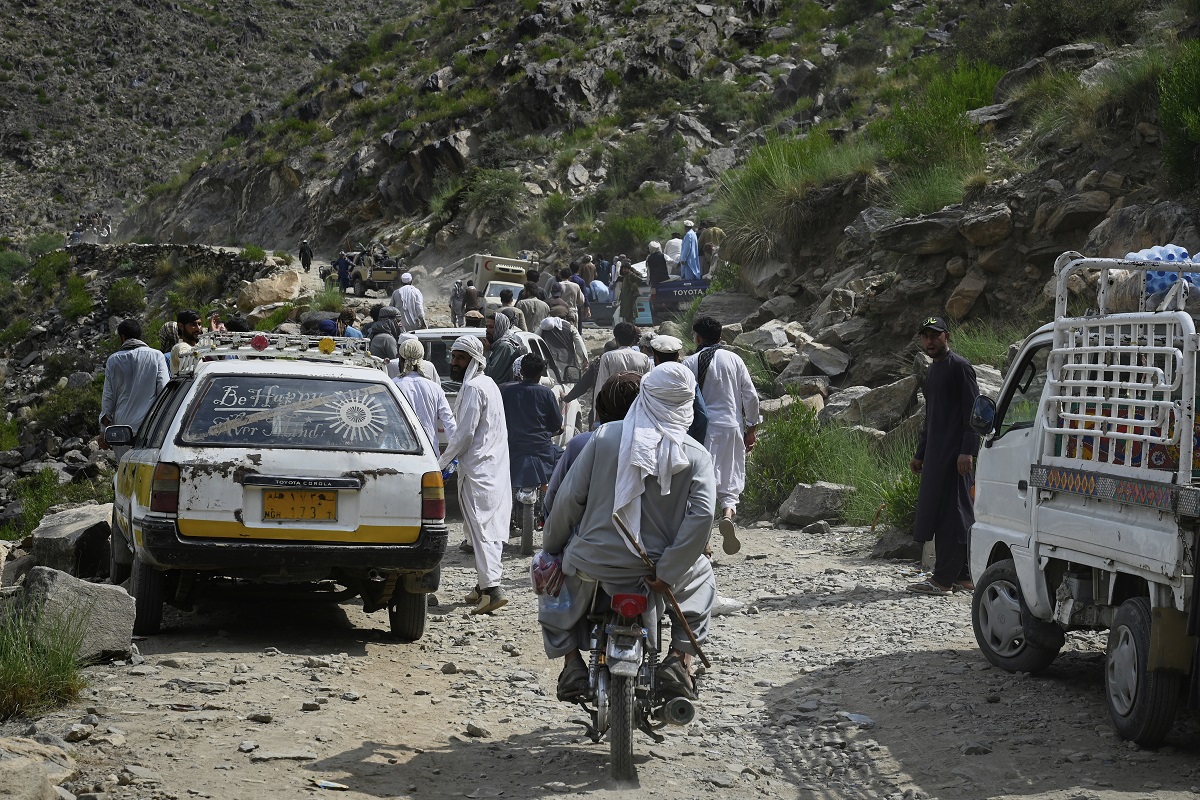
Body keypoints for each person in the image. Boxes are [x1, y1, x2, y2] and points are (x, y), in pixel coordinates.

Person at [540, 363, 717, 701]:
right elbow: (703, 515)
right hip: (655, 570)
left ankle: (571, 661)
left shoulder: (605, 437)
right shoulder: (697, 456)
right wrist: (668, 572)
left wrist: (552, 546)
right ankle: (679, 661)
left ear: (647, 396)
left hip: (592, 562)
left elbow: (570, 499)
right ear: (687, 405)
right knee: (703, 577)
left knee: (552, 586)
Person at [906, 316, 981, 595]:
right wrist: (920, 452)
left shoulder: (960, 368)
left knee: (954, 515)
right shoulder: (933, 371)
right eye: (925, 336)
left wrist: (967, 451)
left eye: (935, 336)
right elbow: (931, 417)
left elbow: (973, 413)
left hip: (956, 458)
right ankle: (962, 576)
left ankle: (942, 580)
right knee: (943, 513)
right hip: (937, 456)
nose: (930, 341)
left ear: (946, 336)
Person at [439, 336, 512, 614]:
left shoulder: (473, 388)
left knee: (481, 529)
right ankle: (482, 586)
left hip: (479, 469)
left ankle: (492, 589)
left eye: (460, 358)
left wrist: (441, 462)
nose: (454, 363)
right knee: (481, 528)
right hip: (490, 468)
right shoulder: (489, 384)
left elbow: (465, 434)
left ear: (474, 360)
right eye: (454, 357)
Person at [683, 316, 760, 556]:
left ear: (697, 337)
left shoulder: (689, 363)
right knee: (730, 477)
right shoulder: (735, 360)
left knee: (700, 483)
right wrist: (751, 428)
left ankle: (704, 540)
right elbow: (751, 396)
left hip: (703, 429)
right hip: (732, 427)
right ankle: (727, 514)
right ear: (720, 337)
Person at [100, 319, 169, 454]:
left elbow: (108, 398)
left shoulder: (113, 360)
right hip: (149, 425)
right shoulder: (156, 356)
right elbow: (164, 390)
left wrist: (103, 430)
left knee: (125, 469)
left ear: (123, 337)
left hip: (121, 429)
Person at [501, 354, 563, 494]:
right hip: (541, 449)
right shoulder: (546, 393)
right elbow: (557, 423)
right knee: (564, 458)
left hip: (513, 447)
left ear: (521, 372)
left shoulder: (507, 391)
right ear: (541, 374)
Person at [394, 339, 456, 451]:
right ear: (421, 360)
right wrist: (454, 453)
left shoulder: (393, 386)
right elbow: (450, 424)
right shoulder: (435, 388)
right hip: (430, 456)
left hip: (400, 454)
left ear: (401, 360)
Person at [649, 335, 708, 444]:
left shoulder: (648, 380)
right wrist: (696, 443)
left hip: (654, 441)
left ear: (655, 357)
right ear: (677, 356)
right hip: (684, 439)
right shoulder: (689, 380)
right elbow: (703, 416)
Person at [595, 322, 652, 409]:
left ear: (616, 339)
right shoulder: (644, 358)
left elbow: (601, 385)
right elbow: (650, 385)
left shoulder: (608, 357)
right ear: (633, 339)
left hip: (614, 406)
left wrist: (598, 412)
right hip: (637, 406)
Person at [485, 312, 523, 384]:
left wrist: (486, 352)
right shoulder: (497, 345)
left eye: (491, 327)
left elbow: (490, 376)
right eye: (486, 327)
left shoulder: (504, 347)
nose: (487, 330)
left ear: (500, 327)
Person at [170, 310, 203, 376]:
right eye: (193, 325)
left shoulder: (195, 346)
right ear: (181, 326)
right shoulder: (182, 347)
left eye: (199, 324)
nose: (198, 328)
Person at [617, 261, 643, 325]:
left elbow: (639, 280)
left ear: (629, 269)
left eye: (625, 269)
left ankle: (631, 326)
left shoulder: (631, 275)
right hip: (625, 297)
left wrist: (633, 287)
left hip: (630, 297)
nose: (624, 270)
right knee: (626, 314)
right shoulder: (625, 276)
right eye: (623, 269)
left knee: (630, 313)